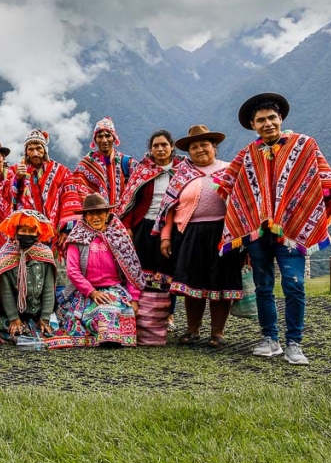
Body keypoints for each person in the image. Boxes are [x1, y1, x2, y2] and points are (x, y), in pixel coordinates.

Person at [214, 93, 331, 365]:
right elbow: (228, 184)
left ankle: (294, 343)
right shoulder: (248, 153)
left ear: (281, 119)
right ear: (253, 125)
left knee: (293, 285)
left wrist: (305, 207)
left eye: (272, 118)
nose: (267, 124)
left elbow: (323, 180)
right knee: (263, 285)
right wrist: (246, 211)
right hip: (258, 232)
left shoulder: (304, 145)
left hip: (292, 230)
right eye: (261, 120)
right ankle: (270, 339)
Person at [156, 125, 244, 348]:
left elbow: (243, 203)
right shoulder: (182, 175)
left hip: (224, 233)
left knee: (221, 283)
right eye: (194, 147)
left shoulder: (229, 170)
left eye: (204, 145)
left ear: (214, 147)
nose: (199, 150)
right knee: (191, 283)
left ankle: (218, 332)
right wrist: (166, 237)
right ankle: (192, 329)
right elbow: (169, 209)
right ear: (189, 152)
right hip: (190, 233)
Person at [119, 129, 182, 344]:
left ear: (171, 147)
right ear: (151, 149)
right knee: (140, 272)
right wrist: (127, 226)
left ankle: (168, 315)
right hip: (144, 225)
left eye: (164, 145)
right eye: (156, 145)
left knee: (167, 271)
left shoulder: (182, 170)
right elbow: (130, 201)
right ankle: (143, 315)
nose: (160, 149)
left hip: (171, 226)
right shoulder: (142, 170)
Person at [59, 194, 144, 347]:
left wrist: (134, 299)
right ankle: (106, 337)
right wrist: (92, 292)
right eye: (90, 214)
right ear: (85, 217)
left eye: (99, 213)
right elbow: (73, 271)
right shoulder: (76, 239)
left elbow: (131, 270)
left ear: (107, 215)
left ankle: (110, 337)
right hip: (86, 292)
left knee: (113, 309)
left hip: (115, 289)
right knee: (88, 315)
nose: (95, 217)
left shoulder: (119, 237)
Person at [0, 210, 65, 346]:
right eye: (23, 230)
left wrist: (44, 318)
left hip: (39, 310)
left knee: (54, 326)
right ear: (16, 231)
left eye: (31, 231)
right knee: (4, 325)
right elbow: (5, 291)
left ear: (38, 234)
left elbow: (49, 289)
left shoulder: (45, 254)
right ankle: (20, 326)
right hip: (13, 312)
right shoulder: (6, 254)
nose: (27, 234)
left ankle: (36, 325)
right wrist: (14, 318)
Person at [60, 117, 133, 224]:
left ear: (114, 137)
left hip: (124, 222)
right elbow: (77, 193)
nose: (104, 140)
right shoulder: (85, 166)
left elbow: (135, 194)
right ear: (95, 139)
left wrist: (129, 222)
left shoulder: (127, 163)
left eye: (108, 135)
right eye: (100, 136)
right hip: (94, 221)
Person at [5, 129, 71, 233]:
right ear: (26, 152)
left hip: (53, 229)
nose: (35, 153)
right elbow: (5, 196)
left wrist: (66, 228)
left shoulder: (61, 171)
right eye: (30, 149)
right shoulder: (14, 170)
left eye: (38, 148)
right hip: (25, 230)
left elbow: (70, 198)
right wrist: (16, 179)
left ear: (45, 150)